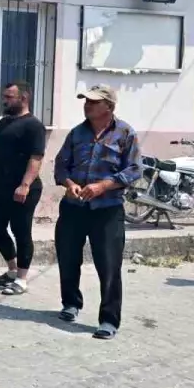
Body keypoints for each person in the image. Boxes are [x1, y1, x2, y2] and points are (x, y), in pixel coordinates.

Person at [52, 85, 141, 340]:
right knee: (68, 257)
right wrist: (69, 184)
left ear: (109, 107)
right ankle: (71, 303)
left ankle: (109, 319)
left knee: (109, 265)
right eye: (86, 101)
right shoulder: (76, 133)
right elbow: (61, 166)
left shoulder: (125, 133)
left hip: (107, 210)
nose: (87, 105)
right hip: (73, 208)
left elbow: (134, 169)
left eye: (94, 102)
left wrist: (103, 186)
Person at [0, 81, 46, 296]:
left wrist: (24, 185)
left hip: (23, 189)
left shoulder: (34, 126)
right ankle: (12, 270)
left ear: (23, 98)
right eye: (5, 97)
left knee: (21, 231)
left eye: (9, 97)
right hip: (0, 186)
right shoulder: (4, 122)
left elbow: (36, 158)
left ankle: (22, 279)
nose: (4, 101)